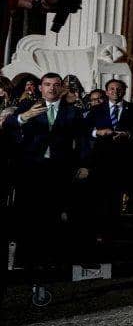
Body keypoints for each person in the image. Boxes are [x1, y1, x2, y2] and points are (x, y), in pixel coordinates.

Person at [2, 73, 88, 275]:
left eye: (56, 85)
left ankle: (51, 259)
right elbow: (8, 126)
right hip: (31, 168)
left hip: (59, 169)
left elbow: (83, 140)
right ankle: (26, 259)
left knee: (54, 213)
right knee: (28, 213)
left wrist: (85, 165)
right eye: (47, 84)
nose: (52, 88)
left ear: (62, 88)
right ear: (40, 87)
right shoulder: (27, 107)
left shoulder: (72, 112)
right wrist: (24, 117)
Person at [85, 79, 133, 223]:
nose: (115, 92)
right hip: (101, 159)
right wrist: (97, 133)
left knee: (117, 197)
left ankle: (114, 228)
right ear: (106, 92)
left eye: (119, 89)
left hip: (124, 160)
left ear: (124, 91)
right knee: (99, 195)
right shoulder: (96, 109)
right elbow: (84, 130)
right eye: (112, 89)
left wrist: (128, 135)